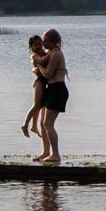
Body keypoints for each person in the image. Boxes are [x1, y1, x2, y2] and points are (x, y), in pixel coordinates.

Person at [35, 28, 69, 165]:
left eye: (46, 41)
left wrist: (38, 65)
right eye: (43, 41)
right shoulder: (51, 53)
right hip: (52, 89)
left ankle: (56, 154)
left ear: (54, 41)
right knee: (44, 124)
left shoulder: (56, 54)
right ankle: (46, 152)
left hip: (58, 90)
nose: (44, 44)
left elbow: (48, 74)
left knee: (48, 124)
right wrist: (37, 64)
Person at [22, 34, 48, 139]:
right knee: (36, 105)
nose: (38, 46)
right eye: (35, 45)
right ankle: (25, 125)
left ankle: (34, 126)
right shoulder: (35, 56)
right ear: (31, 47)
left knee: (40, 105)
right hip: (39, 82)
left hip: (45, 83)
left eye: (39, 44)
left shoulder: (44, 52)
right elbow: (42, 61)